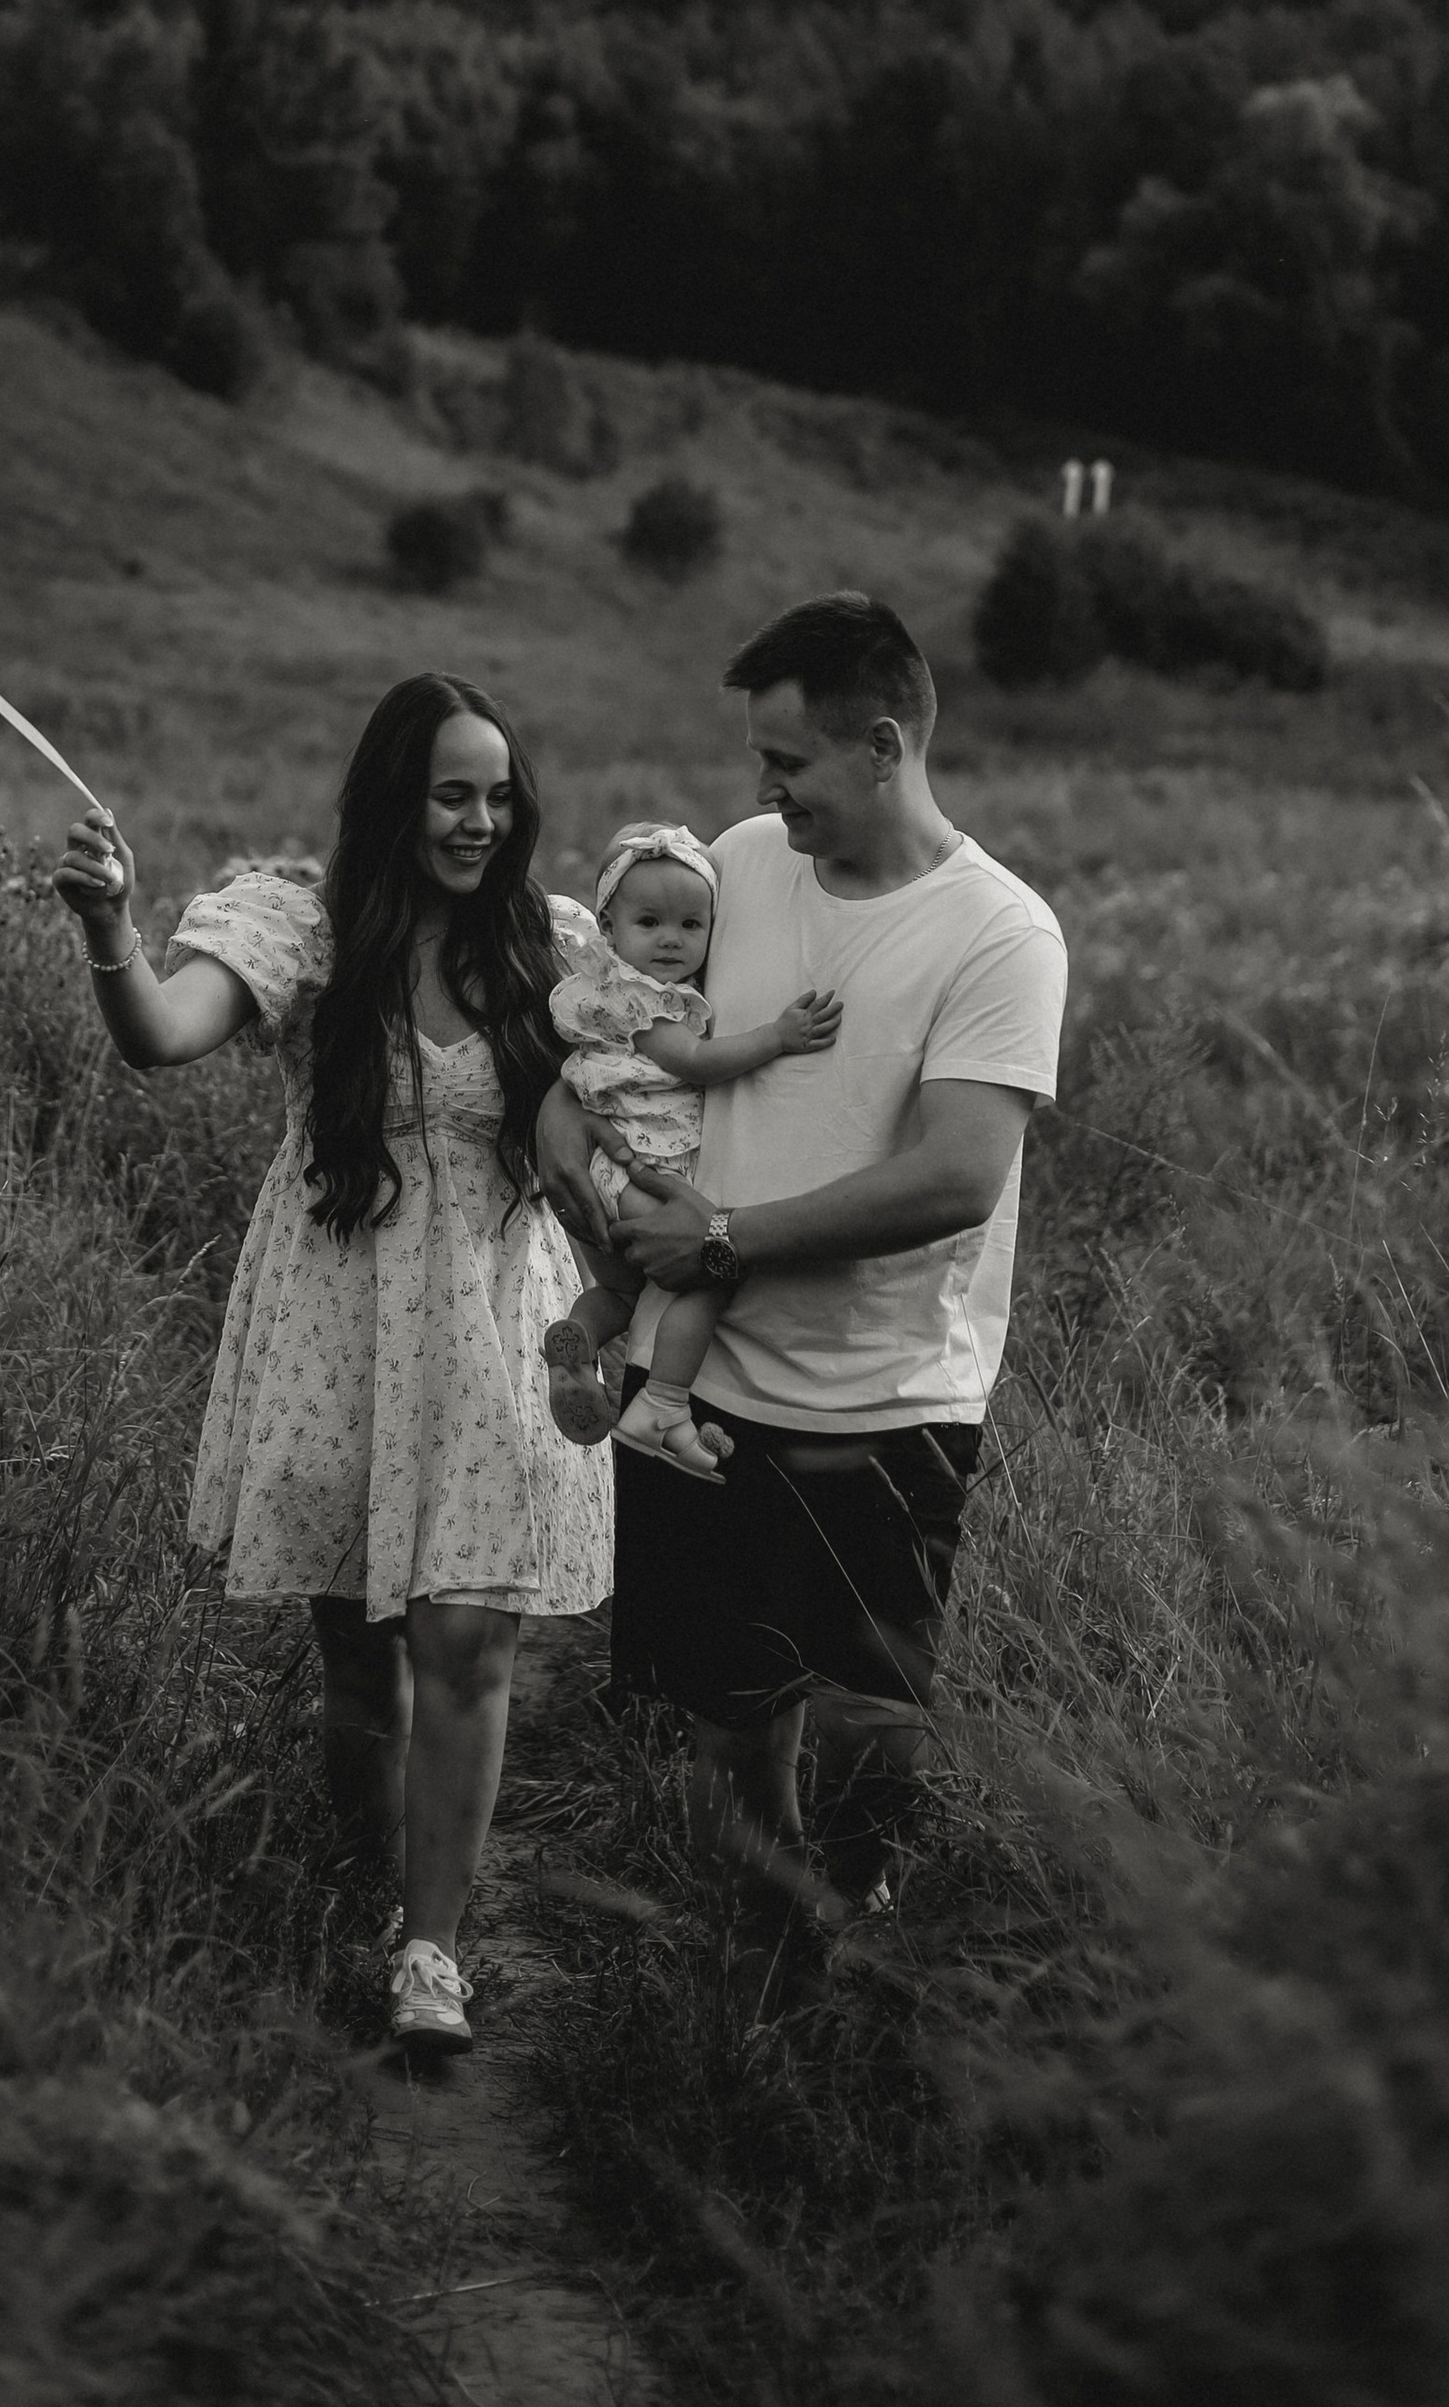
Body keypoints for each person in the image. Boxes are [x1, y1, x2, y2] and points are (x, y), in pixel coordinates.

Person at [52, 674, 615, 2058]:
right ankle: (368, 1900)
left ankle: (433, 1949)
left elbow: (646, 1105)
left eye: (498, 795)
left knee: (468, 1640)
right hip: (339, 1326)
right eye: (450, 793)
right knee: (363, 1668)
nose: (480, 821)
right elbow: (160, 1039)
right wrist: (112, 928)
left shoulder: (555, 944)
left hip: (492, 1324)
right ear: (393, 800)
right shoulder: (300, 924)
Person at [600, 591, 1066, 1931]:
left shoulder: (999, 932)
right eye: (760, 761)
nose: (765, 788)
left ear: (881, 745)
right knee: (730, 1711)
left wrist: (730, 1236)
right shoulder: (740, 863)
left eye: (789, 761)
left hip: (885, 1394)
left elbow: (959, 1175)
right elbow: (642, 1025)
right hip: (703, 1384)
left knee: (872, 1710)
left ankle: (852, 1918)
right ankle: (765, 1957)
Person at [540, 820, 842, 1479]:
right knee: (717, 1266)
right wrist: (778, 1038)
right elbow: (696, 1061)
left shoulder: (599, 991)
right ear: (610, 929)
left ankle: (578, 1341)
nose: (672, 939)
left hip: (599, 1177)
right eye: (650, 922)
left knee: (620, 1294)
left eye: (690, 925)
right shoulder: (651, 1003)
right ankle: (663, 1404)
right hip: (643, 1171)